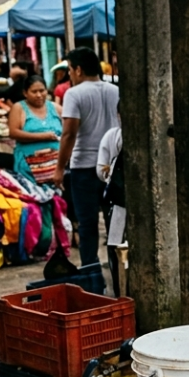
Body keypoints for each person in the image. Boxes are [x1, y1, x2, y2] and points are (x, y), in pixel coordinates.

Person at [54, 47, 120, 267]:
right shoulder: (115, 90)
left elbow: (69, 133)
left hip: (84, 167)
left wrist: (59, 168)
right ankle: (117, 268)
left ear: (79, 70)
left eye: (70, 70)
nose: (70, 75)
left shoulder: (74, 94)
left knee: (87, 224)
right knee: (114, 223)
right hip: (112, 165)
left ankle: (91, 272)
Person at [9, 75, 63, 186]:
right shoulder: (18, 108)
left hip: (55, 166)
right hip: (28, 166)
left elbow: (70, 131)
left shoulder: (56, 108)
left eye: (42, 91)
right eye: (34, 92)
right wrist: (44, 136)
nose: (39, 95)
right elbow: (13, 132)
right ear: (25, 93)